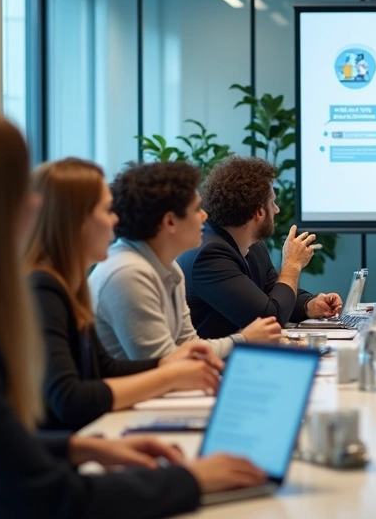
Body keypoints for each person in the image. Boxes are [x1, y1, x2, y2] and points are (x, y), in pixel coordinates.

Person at [0, 110, 265, 518]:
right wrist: (192, 478)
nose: (31, 206)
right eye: (20, 191)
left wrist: (77, 448)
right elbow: (50, 501)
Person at [27, 158, 228, 431]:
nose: (116, 219)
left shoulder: (66, 285)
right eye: (107, 209)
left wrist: (167, 362)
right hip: (63, 453)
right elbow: (69, 399)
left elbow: (103, 368)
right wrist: (169, 375)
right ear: (76, 220)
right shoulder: (43, 288)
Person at [90, 161, 287, 362]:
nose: (204, 216)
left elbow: (188, 344)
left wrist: (244, 339)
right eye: (196, 209)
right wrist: (244, 339)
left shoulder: (168, 267)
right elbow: (164, 363)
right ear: (170, 222)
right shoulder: (128, 273)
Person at [178, 156, 341, 339]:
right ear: (259, 212)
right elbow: (270, 318)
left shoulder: (253, 247)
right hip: (213, 363)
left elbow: (274, 294)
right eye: (272, 202)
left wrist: (308, 305)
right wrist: (292, 264)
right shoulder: (209, 255)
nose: (277, 209)